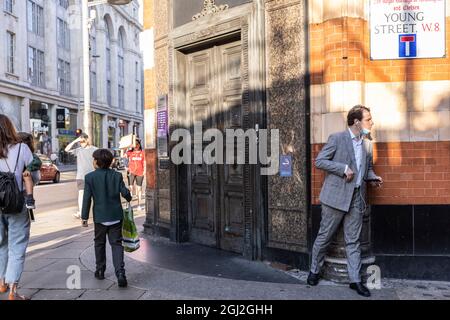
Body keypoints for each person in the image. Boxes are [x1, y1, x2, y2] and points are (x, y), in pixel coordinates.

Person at [307, 105, 383, 298]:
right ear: (356, 122)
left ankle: (355, 280)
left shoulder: (367, 144)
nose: (371, 122)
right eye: (368, 119)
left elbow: (367, 170)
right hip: (335, 198)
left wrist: (373, 178)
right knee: (324, 236)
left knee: (353, 241)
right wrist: (342, 168)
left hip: (357, 198)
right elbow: (320, 161)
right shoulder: (337, 138)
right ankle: (314, 271)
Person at [81, 149, 132, 288]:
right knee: (116, 244)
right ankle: (120, 273)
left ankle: (100, 270)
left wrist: (84, 217)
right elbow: (126, 193)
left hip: (100, 218)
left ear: (97, 162)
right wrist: (128, 196)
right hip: (116, 216)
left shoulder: (89, 177)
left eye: (93, 159)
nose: (93, 162)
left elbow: (87, 199)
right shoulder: (117, 176)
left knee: (99, 243)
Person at [0, 115, 34, 300]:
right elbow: (33, 175)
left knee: (0, 243)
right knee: (17, 245)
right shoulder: (22, 148)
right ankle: (13, 291)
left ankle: (1, 282)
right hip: (16, 202)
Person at [65, 134, 97, 219]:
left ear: (87, 140)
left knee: (95, 195)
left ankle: (98, 212)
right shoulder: (78, 150)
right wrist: (75, 141)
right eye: (80, 142)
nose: (81, 143)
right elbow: (66, 149)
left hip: (93, 176)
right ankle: (81, 212)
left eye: (83, 141)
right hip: (81, 176)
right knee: (81, 194)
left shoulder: (95, 150)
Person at [17, 132, 42, 210]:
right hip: (21, 180)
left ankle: (30, 199)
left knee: (26, 176)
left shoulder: (31, 154)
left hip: (26, 178)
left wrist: (28, 169)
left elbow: (37, 162)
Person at [125, 139, 145, 210]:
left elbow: (144, 162)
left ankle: (139, 205)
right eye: (135, 144)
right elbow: (122, 155)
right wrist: (124, 146)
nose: (136, 146)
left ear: (139, 144)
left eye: (137, 144)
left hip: (140, 172)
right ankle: (129, 204)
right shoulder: (130, 152)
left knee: (139, 189)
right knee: (130, 188)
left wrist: (144, 171)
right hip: (131, 172)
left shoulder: (142, 153)